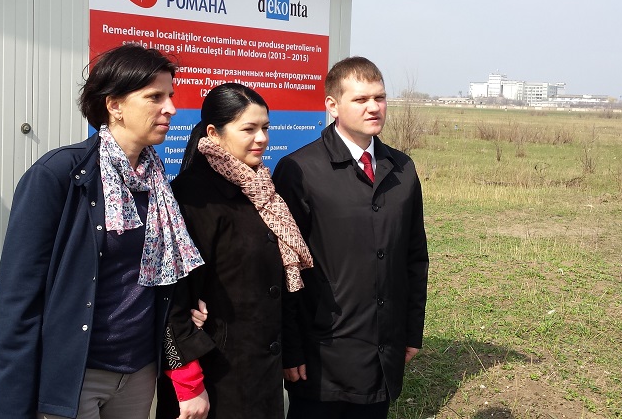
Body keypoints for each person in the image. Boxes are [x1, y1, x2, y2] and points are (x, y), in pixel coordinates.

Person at [0, 44, 206, 419]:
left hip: (139, 372)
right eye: (155, 97)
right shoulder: (60, 175)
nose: (171, 108)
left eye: (170, 95)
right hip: (75, 376)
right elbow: (18, 301)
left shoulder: (157, 183)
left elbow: (162, 280)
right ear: (114, 105)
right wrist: (12, 406)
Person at [273, 56, 429, 419]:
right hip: (323, 355)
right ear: (332, 105)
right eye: (360, 99)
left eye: (380, 97)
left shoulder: (402, 169)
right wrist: (290, 347)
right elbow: (284, 266)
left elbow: (414, 258)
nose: (373, 107)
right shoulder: (300, 170)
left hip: (382, 352)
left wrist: (410, 331)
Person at [154, 83, 314, 419]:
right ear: (214, 133)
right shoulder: (193, 198)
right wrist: (189, 385)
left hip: (258, 374)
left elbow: (278, 285)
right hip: (216, 379)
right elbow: (173, 301)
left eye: (265, 128)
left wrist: (291, 349)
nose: (262, 138)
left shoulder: (262, 191)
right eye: (249, 129)